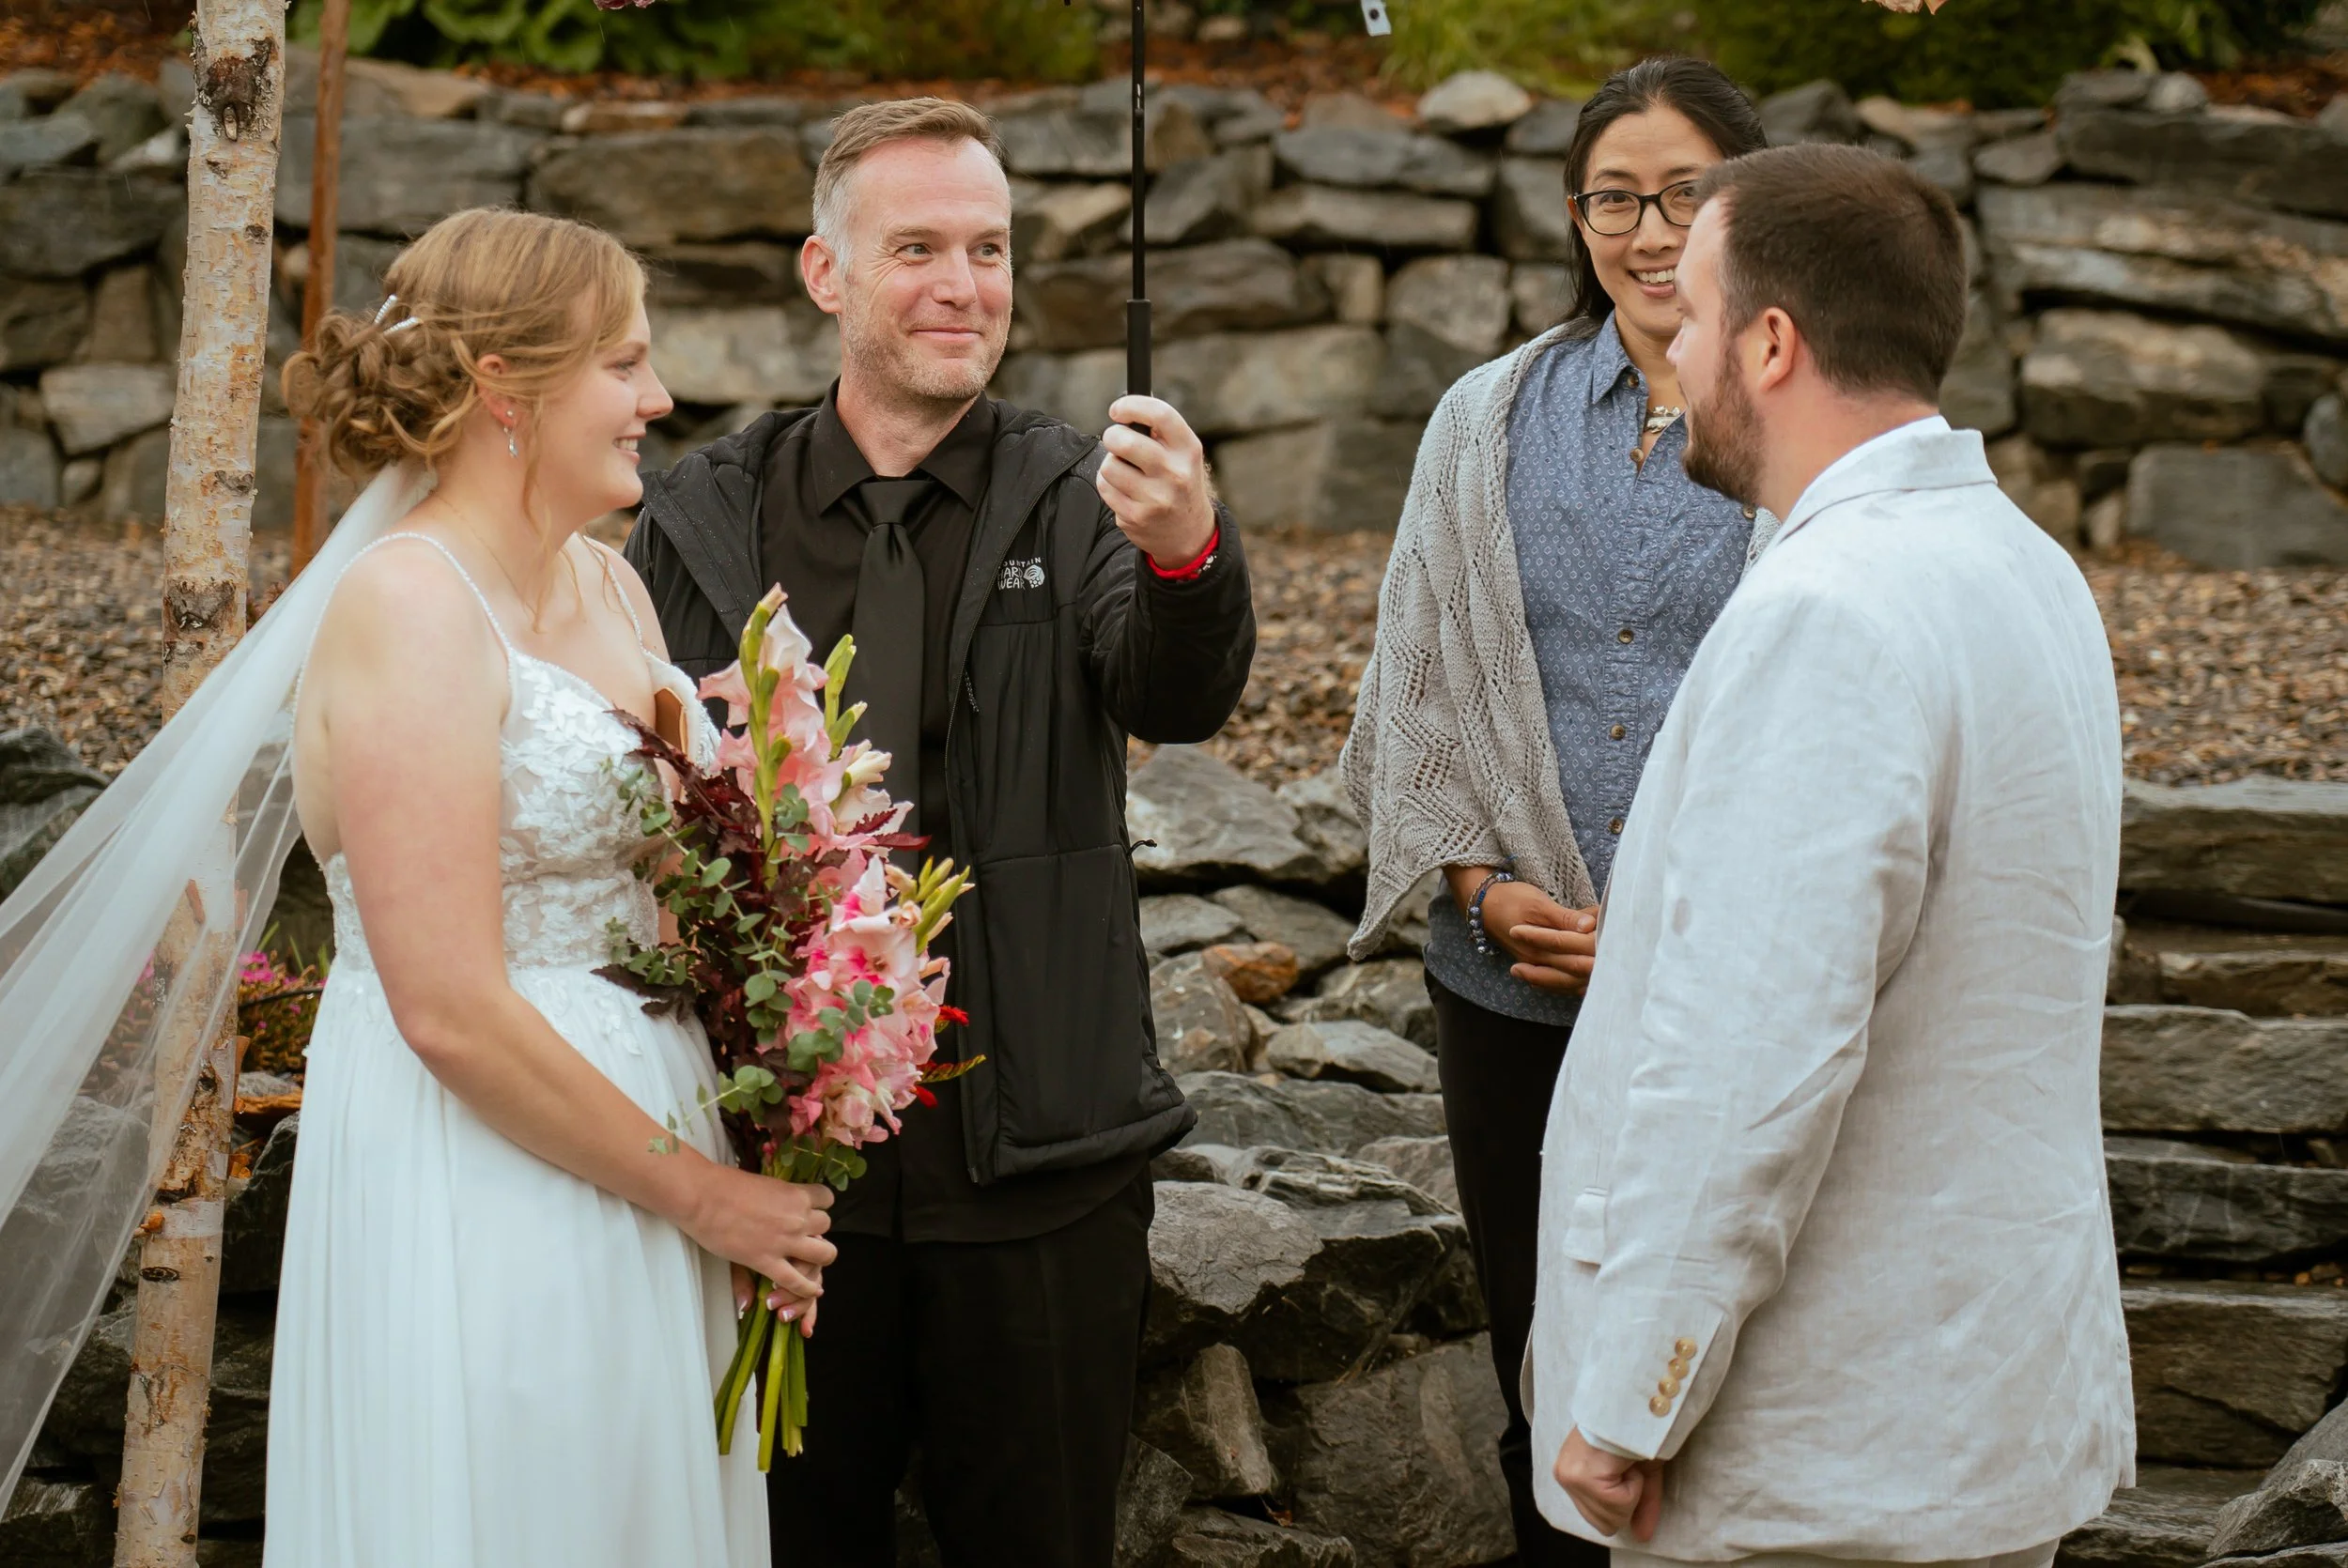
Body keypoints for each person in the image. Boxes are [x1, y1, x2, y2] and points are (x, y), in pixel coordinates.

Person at [625, 99, 1255, 1568]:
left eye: (989, 247)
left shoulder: (1083, 490)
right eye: (918, 248)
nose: (963, 283)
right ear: (825, 274)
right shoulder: (705, 513)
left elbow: (1182, 686)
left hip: (1036, 1166)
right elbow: (627, 790)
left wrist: (1186, 557)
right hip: (780, 1180)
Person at [1532, 144, 2133, 1566]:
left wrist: (1632, 1401)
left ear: (1774, 341)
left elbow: (1755, 1055)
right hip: (1974, 1421)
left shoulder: (1830, 611)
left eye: (1688, 319)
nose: (1669, 354)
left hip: (1820, 1457)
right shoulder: (2028, 568)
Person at [262, 208, 839, 1565]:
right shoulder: (407, 609)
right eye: (624, 365)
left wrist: (812, 1017)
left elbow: (679, 889)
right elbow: (448, 1006)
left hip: (654, 1157)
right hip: (483, 1169)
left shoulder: (608, 589)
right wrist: (708, 1197)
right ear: (502, 390)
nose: (660, 398)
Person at [1339, 56, 1767, 1567]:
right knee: (1544, 1360)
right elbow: (1424, 675)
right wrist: (1474, 882)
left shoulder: (1800, 422)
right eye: (1613, 197)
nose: (1650, 230)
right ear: (1574, 215)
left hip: (1725, 991)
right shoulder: (1487, 416)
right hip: (1509, 980)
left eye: (1687, 193)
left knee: (1714, 1378)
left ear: (1748, 203)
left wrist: (1663, 918)